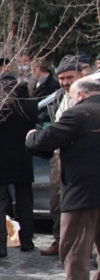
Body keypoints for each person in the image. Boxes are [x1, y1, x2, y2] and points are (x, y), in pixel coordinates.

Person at [25, 76, 100, 280]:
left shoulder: (78, 114)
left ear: (80, 95)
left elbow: (46, 140)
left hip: (82, 193)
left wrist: (31, 136)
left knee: (75, 248)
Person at [0, 58, 38, 257]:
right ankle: (27, 241)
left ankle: (0, 245)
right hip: (24, 159)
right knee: (25, 202)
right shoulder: (31, 104)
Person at [39, 55, 84, 257]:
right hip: (58, 158)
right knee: (56, 201)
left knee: (83, 207)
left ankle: (85, 249)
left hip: (81, 158)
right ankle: (59, 240)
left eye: (70, 77)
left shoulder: (87, 97)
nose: (66, 82)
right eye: (62, 78)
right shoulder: (58, 96)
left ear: (80, 75)